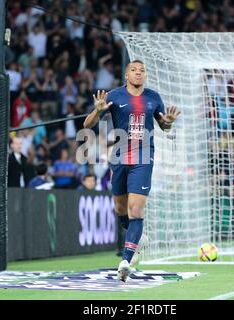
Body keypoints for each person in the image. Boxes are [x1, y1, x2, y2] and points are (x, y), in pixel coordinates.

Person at [83, 60, 180, 282]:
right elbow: (87, 125)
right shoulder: (114, 96)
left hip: (143, 158)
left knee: (135, 210)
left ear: (145, 75)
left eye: (142, 71)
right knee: (120, 208)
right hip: (118, 158)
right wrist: (98, 112)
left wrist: (169, 123)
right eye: (134, 70)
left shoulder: (153, 98)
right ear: (127, 75)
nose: (138, 73)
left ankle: (126, 259)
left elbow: (164, 126)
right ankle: (137, 238)